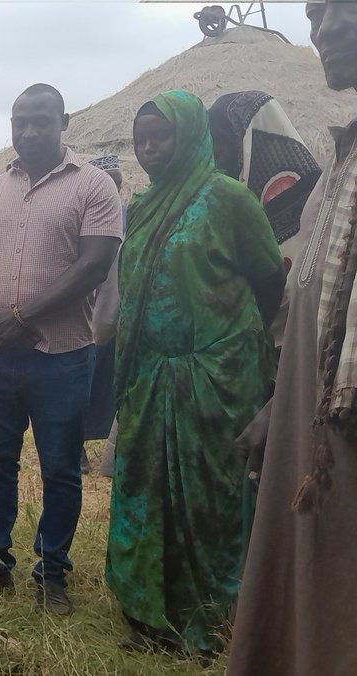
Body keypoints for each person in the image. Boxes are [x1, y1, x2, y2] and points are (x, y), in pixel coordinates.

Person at [107, 90, 284, 655]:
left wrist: (229, 346)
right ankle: (150, 615)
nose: (149, 149)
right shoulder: (142, 205)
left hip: (218, 379)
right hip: (150, 377)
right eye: (141, 140)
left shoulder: (228, 198)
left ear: (188, 137)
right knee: (148, 492)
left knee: (212, 498)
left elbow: (270, 279)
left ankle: (214, 622)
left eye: (160, 137)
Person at [229, 2, 357, 672]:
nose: (325, 27)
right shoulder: (342, 161)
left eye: (344, 7)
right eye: (314, 10)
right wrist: (281, 403)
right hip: (309, 424)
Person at [0, 84, 122, 614]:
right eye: (19, 122)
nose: (28, 132)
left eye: (40, 121)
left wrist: (23, 317)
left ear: (64, 121)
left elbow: (93, 265)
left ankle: (52, 572)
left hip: (64, 357)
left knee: (60, 469)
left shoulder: (94, 185)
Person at [209, 90, 323, 349]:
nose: (213, 156)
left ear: (248, 143)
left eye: (219, 143)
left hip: (306, 344)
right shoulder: (219, 201)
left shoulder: (315, 199)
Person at [84, 155, 124, 476]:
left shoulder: (132, 214)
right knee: (82, 382)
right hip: (87, 315)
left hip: (120, 315)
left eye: (116, 182)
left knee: (113, 383)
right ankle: (75, 446)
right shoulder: (82, 217)